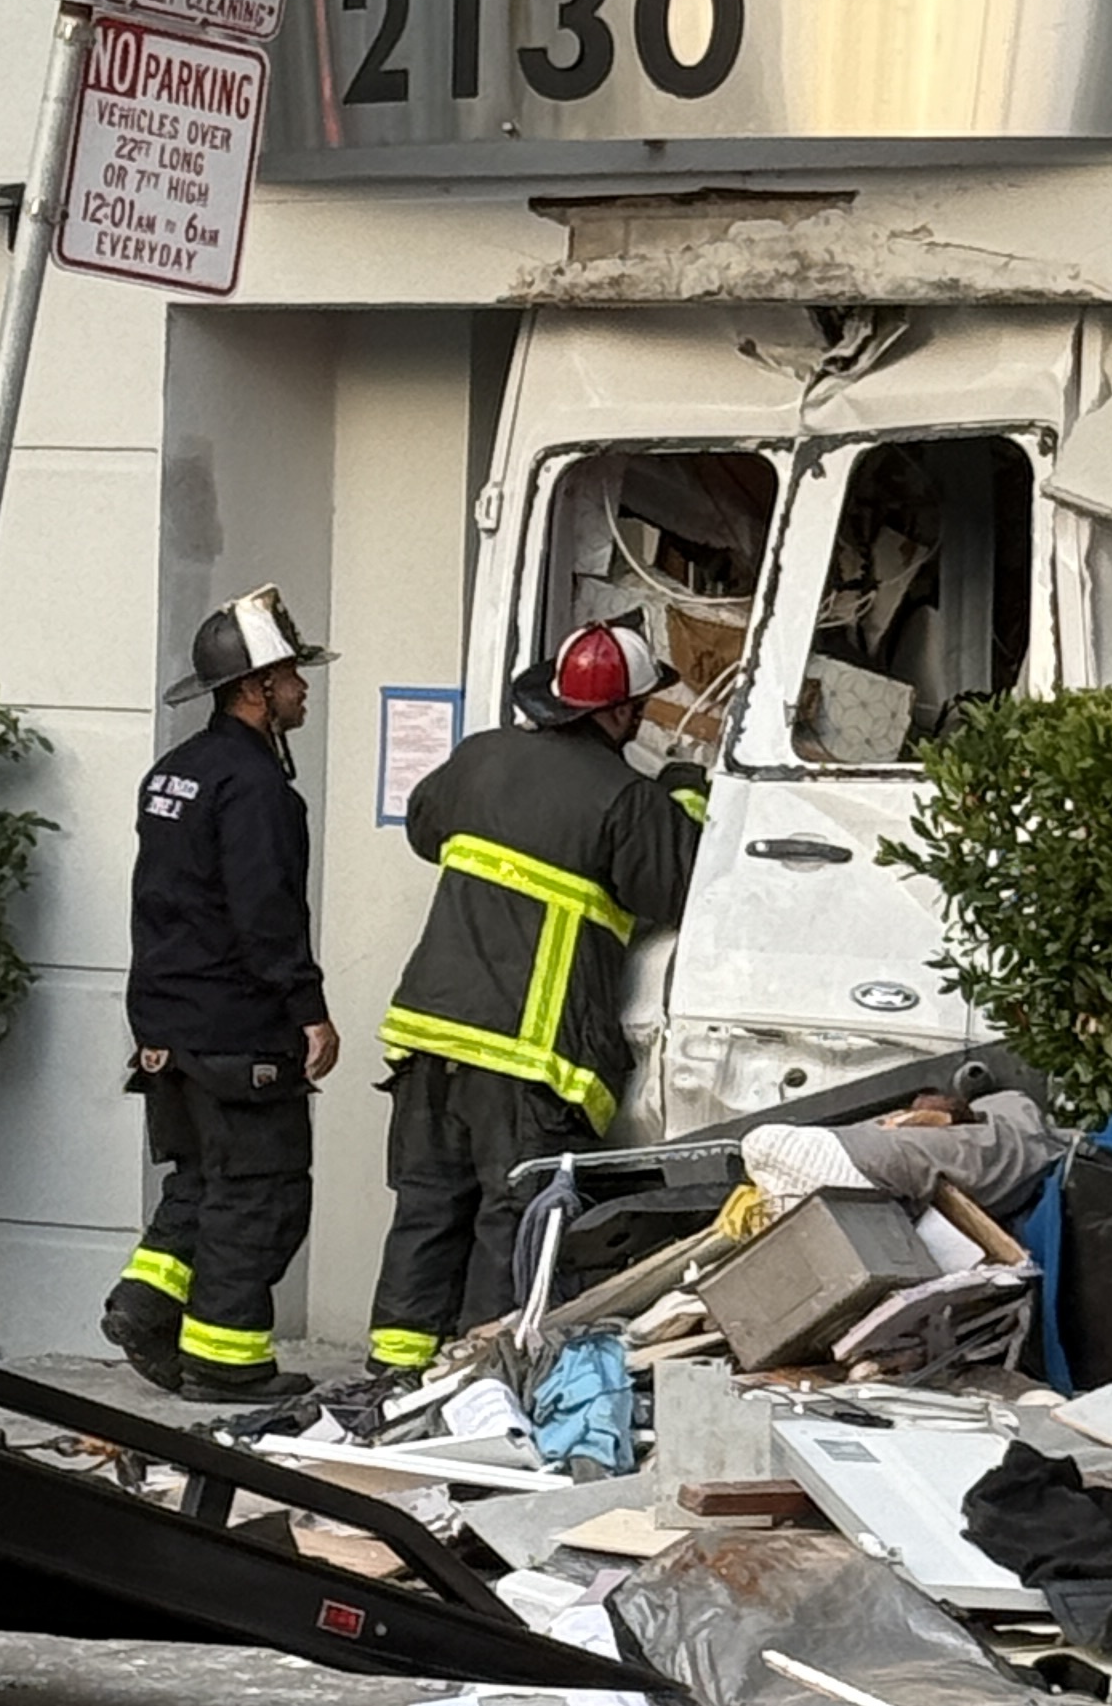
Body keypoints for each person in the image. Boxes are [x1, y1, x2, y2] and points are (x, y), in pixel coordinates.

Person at [364, 619, 707, 1379]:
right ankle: (474, 1388)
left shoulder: (480, 756)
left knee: (425, 1213)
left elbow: (426, 828)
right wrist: (684, 797)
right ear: (617, 714)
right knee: (508, 1227)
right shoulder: (627, 799)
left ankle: (390, 1379)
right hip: (529, 1057)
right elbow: (675, 888)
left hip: (428, 1038)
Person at [103, 587, 340, 1409]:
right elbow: (266, 911)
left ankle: (143, 1304)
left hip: (167, 1025)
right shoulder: (255, 788)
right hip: (239, 1031)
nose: (303, 690)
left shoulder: (174, 774)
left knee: (202, 1181)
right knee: (261, 1192)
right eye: (289, 677)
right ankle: (227, 1362)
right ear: (254, 690)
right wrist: (309, 1008)